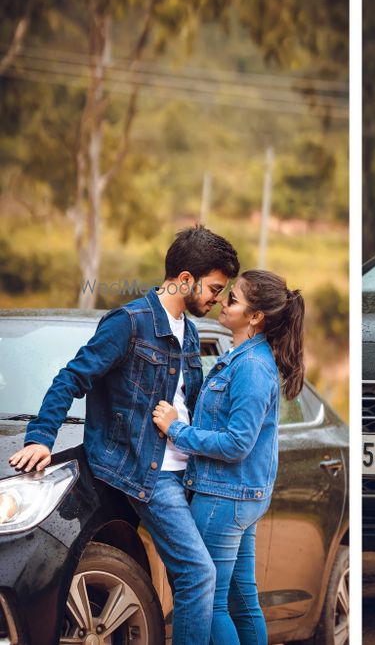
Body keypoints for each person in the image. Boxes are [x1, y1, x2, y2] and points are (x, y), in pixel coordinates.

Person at [9, 226, 240, 644]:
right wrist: (40, 438)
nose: (217, 299)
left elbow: (191, 402)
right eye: (213, 288)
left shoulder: (188, 331)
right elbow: (72, 378)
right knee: (199, 573)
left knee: (216, 577)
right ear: (185, 279)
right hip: (150, 475)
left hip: (190, 473)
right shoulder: (129, 323)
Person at [152, 269, 305, 644]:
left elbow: (238, 443)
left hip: (224, 496)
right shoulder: (244, 358)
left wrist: (176, 430)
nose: (222, 300)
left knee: (213, 603)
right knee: (242, 601)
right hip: (238, 495)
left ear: (256, 317)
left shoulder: (252, 367)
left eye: (233, 299)